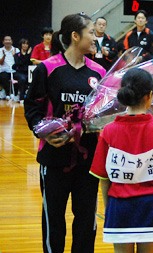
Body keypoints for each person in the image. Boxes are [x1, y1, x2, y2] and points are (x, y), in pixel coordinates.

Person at [24, 13, 106, 253]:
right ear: (74, 36)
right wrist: (43, 132)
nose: (95, 37)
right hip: (54, 157)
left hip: (88, 159)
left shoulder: (99, 72)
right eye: (91, 32)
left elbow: (102, 113)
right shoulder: (48, 69)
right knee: (54, 220)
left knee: (85, 221)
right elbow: (32, 107)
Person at [90, 68, 153, 253]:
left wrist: (110, 209)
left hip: (119, 207)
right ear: (149, 96)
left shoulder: (108, 131)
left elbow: (104, 178)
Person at [0, 35, 26, 101]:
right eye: (6, 40)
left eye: (9, 40)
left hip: (14, 71)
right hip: (4, 70)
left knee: (22, 78)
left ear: (11, 41)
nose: (8, 41)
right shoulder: (0, 50)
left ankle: (19, 95)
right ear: (3, 42)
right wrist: (4, 56)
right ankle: (8, 93)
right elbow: (1, 63)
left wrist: (15, 56)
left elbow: (20, 62)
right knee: (3, 77)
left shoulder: (16, 50)